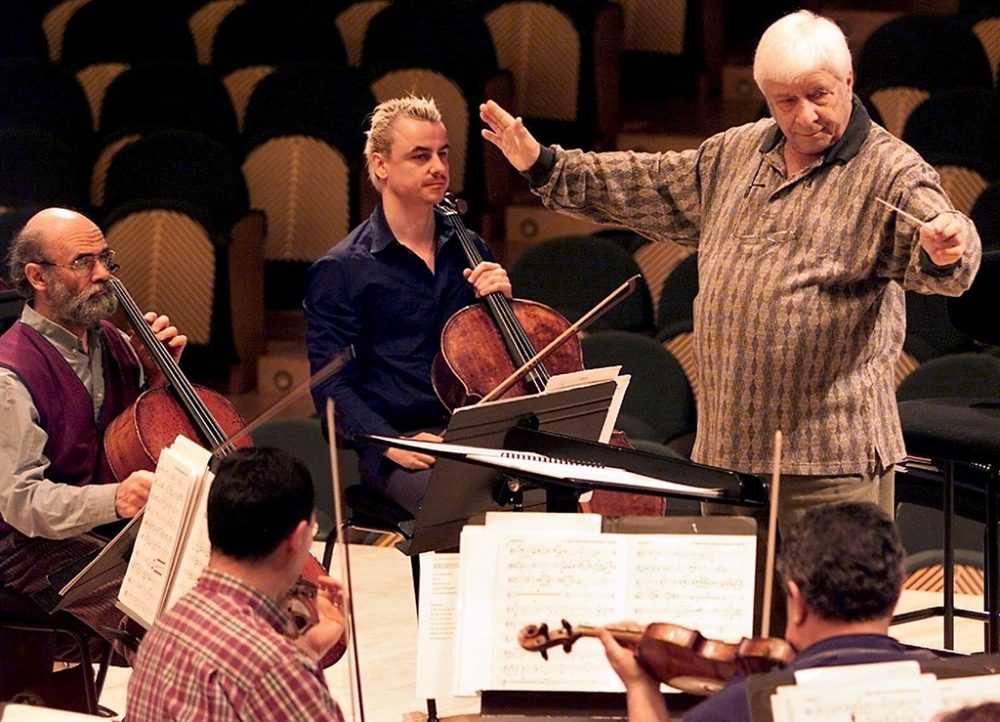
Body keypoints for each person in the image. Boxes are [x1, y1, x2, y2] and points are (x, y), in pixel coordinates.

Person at [480, 9, 981, 526]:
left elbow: (943, 239)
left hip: (830, 463)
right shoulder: (734, 154)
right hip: (727, 455)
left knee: (829, 607)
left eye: (819, 95)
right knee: (738, 608)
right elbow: (642, 182)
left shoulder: (892, 169)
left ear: (848, 81)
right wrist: (544, 163)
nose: (804, 115)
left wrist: (948, 246)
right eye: (787, 101)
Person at [0, 208, 186, 686]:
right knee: (173, 620)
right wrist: (117, 498)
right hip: (28, 550)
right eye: (83, 262)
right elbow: (22, 502)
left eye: (105, 258)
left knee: (216, 587)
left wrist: (158, 377)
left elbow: (133, 440)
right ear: (37, 276)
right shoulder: (10, 375)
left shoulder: (118, 343)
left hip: (108, 538)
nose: (102, 274)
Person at [304, 95, 512, 515]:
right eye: (420, 156)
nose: (438, 167)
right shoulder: (342, 270)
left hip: (474, 432)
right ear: (381, 165)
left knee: (550, 496)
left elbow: (502, 361)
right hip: (399, 442)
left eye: (442, 154)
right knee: (463, 507)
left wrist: (506, 308)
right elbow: (329, 386)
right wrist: (388, 441)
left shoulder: (470, 248)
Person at [596, 501, 916, 722]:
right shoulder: (962, 691)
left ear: (796, 601)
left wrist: (641, 688)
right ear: (897, 592)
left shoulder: (738, 709)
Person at [126, 446, 347, 721]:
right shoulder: (274, 668)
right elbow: (258, 673)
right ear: (297, 537)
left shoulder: (163, 631)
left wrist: (309, 648)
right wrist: (296, 663)